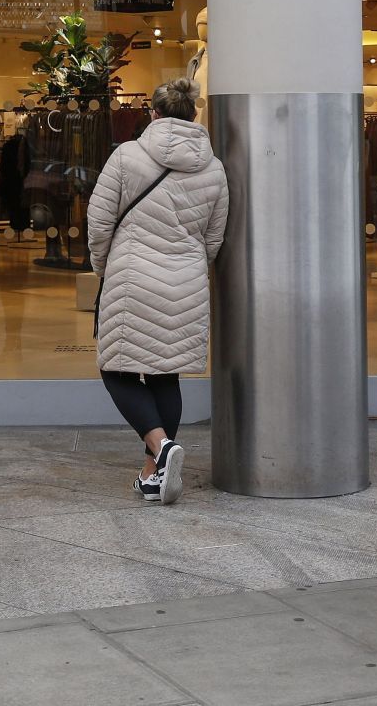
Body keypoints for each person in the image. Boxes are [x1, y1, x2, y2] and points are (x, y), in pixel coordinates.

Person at [87, 77, 228, 506]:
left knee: (117, 370)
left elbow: (99, 222)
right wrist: (186, 263)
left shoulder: (127, 156)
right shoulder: (215, 168)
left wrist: (103, 267)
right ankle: (154, 474)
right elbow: (213, 239)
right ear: (192, 115)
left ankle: (162, 448)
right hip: (185, 281)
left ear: (153, 113)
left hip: (131, 275)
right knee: (165, 374)